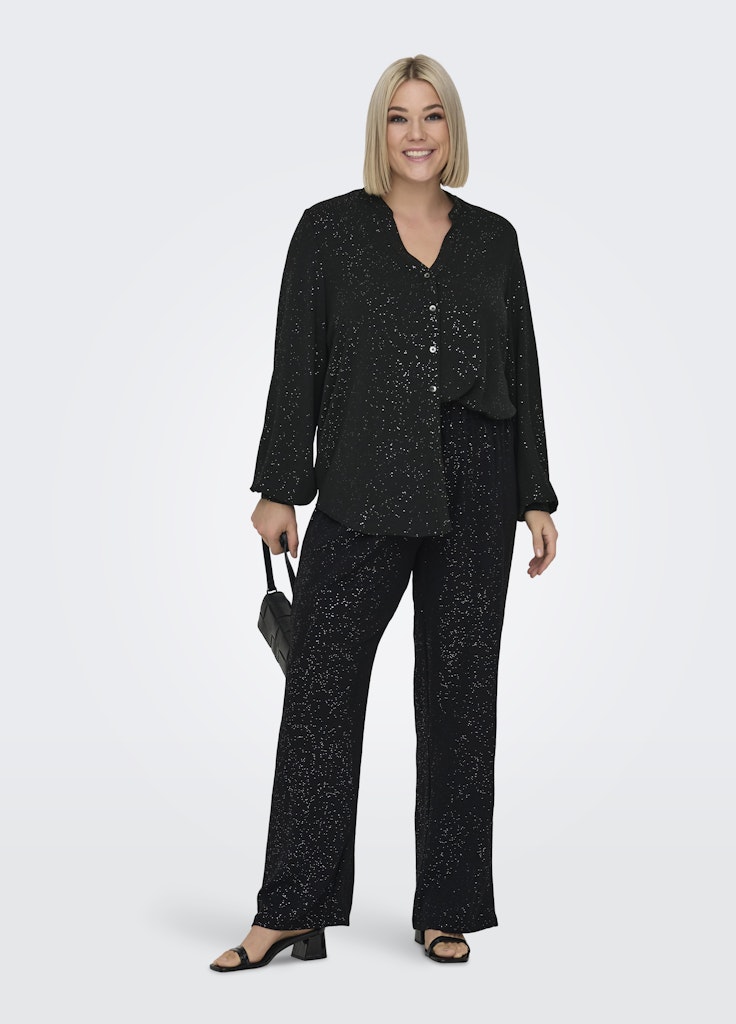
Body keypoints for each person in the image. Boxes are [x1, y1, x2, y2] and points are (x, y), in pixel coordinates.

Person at [210, 53, 559, 972]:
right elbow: (298, 362)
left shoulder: (494, 241)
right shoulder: (329, 231)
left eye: (432, 116)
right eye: (400, 117)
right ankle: (290, 909)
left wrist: (535, 494)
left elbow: (521, 370)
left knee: (460, 701)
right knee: (321, 695)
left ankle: (448, 906)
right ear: (380, 129)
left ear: (452, 130)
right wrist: (279, 486)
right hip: (364, 483)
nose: (417, 134)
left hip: (478, 487)